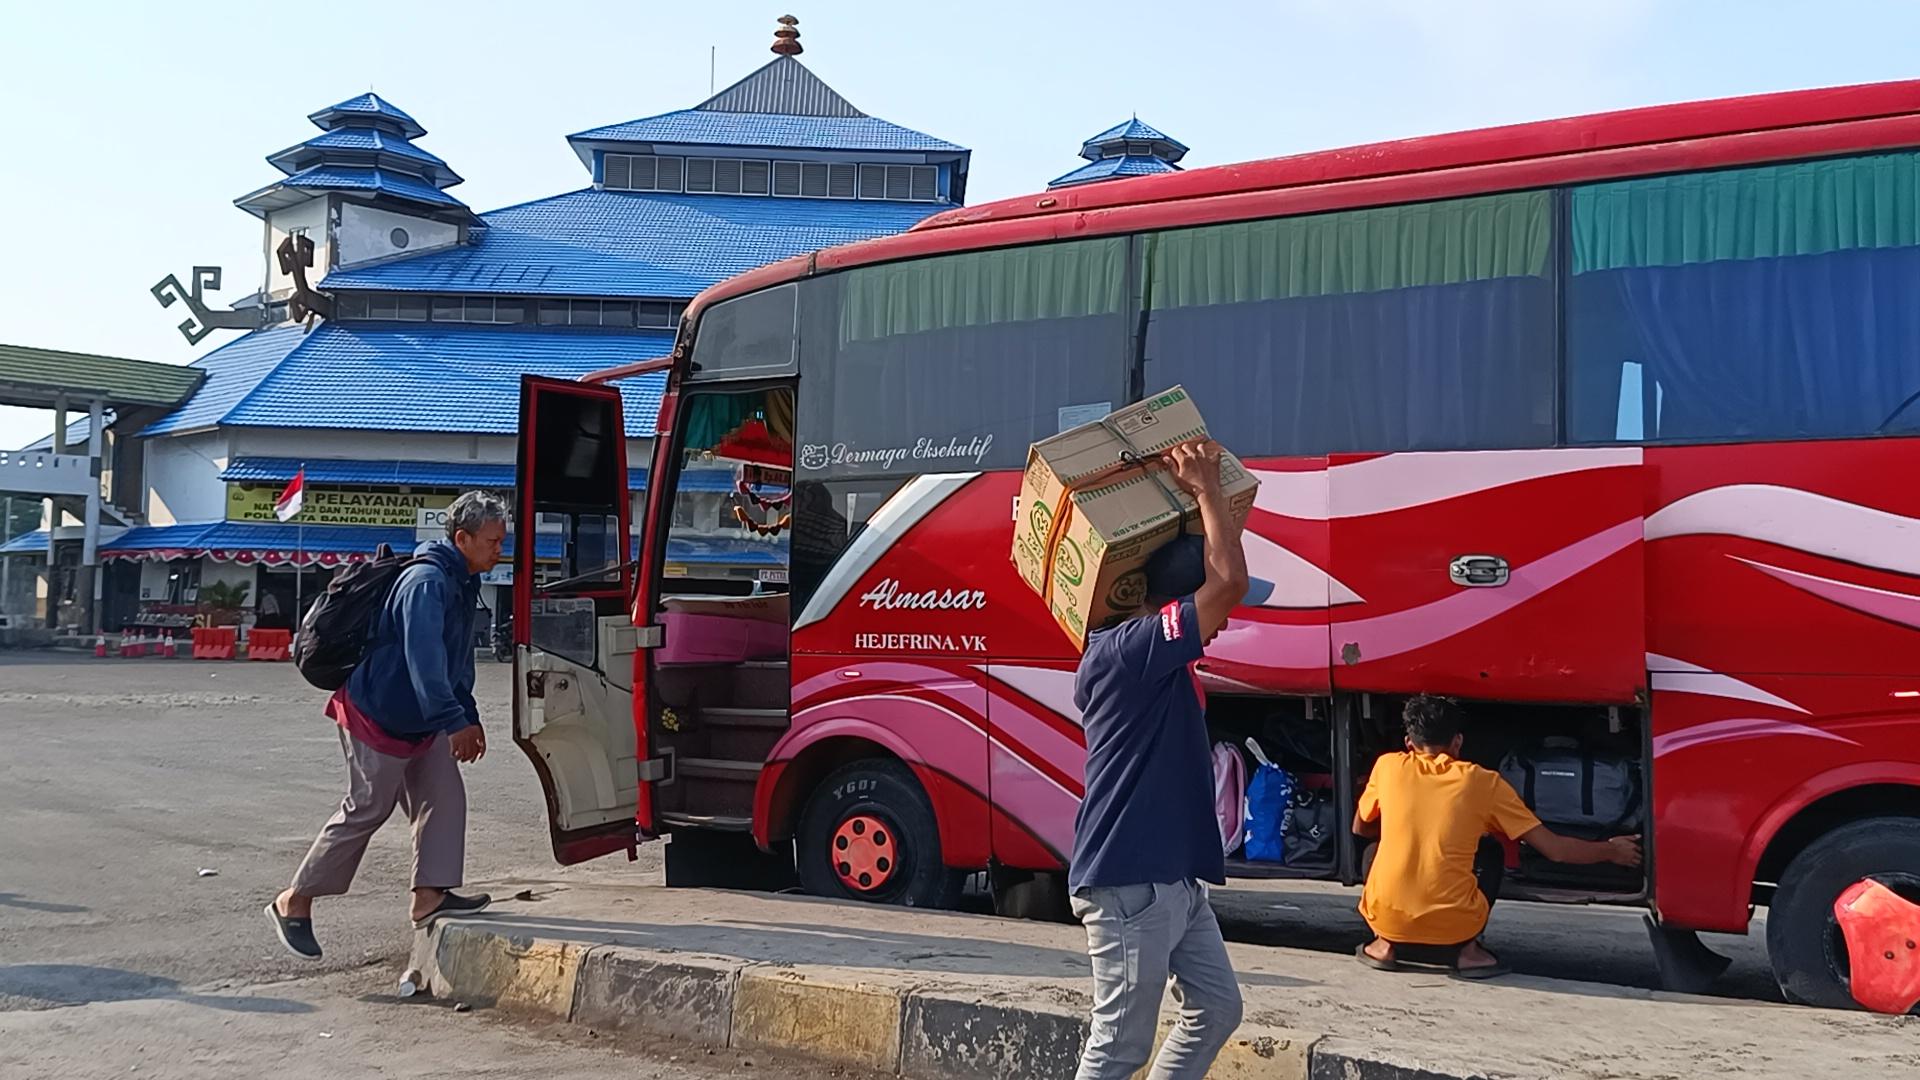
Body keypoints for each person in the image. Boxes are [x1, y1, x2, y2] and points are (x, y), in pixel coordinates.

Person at [1070, 439, 1249, 1080]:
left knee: (1217, 1008)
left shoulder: (1157, 660)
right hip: (1130, 884)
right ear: (1177, 603)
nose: (1226, 621)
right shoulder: (1128, 651)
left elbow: (1223, 590)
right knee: (1117, 1051)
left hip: (1173, 881)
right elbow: (1231, 581)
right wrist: (1206, 490)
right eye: (1212, 612)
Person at [265, 491, 509, 960]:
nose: (500, 550)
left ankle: (430, 896)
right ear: (462, 538)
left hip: (421, 717)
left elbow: (456, 661)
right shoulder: (427, 583)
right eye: (493, 541)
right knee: (367, 808)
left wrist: (468, 715)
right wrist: (453, 720)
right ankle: (293, 902)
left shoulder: (460, 581)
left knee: (443, 796)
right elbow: (425, 661)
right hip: (378, 713)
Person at [1352, 694, 1642, 978]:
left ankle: (1385, 943)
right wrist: (1612, 850)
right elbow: (1555, 850)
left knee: (1372, 851)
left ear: (1408, 743)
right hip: (1454, 927)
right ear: (1458, 742)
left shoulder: (1387, 766)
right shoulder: (1482, 781)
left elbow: (1360, 828)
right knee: (1490, 849)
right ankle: (1467, 952)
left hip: (1387, 919)